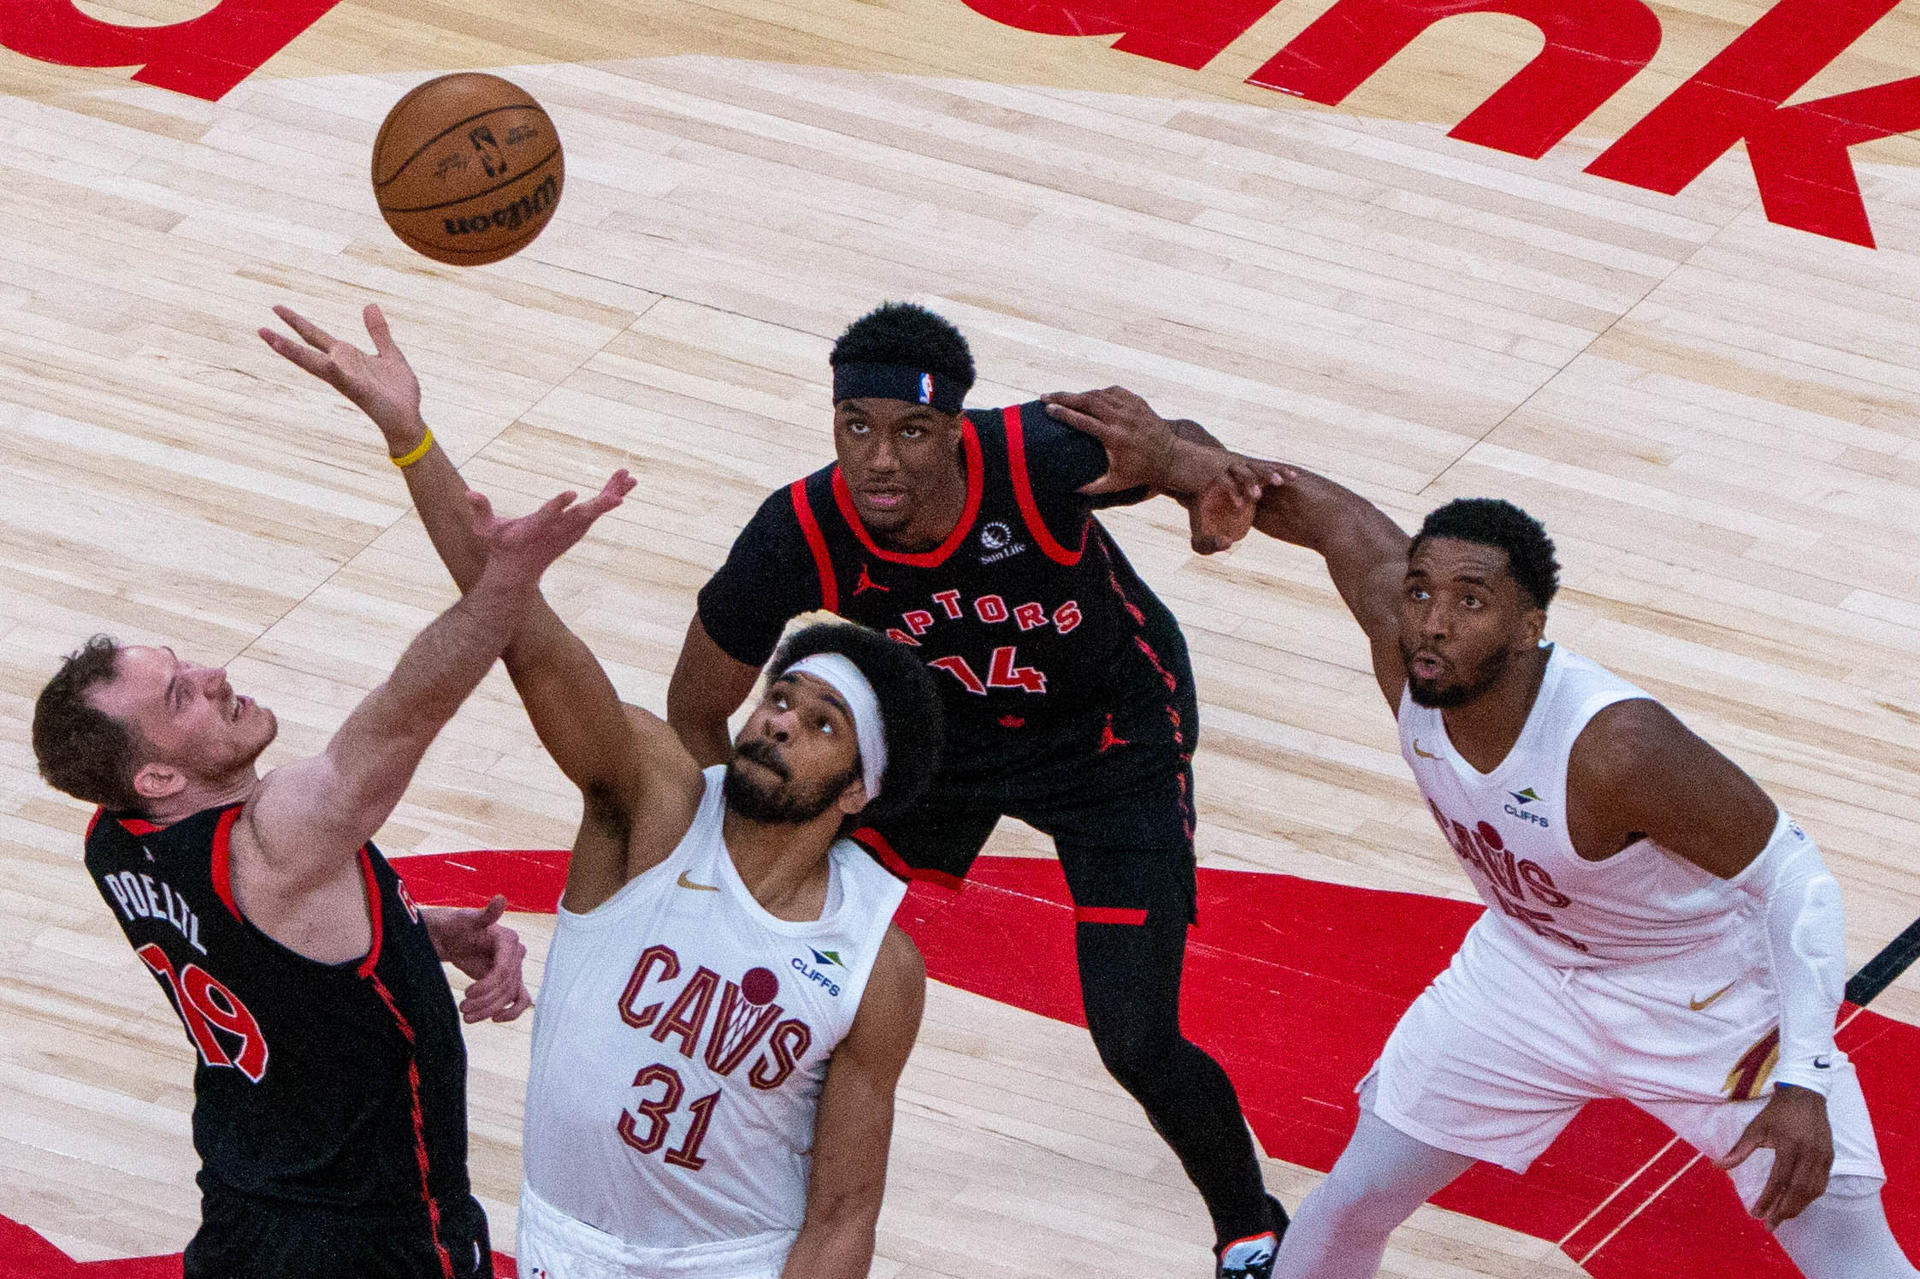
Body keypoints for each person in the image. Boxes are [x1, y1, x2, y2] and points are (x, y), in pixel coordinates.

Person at [1086, 416, 1914, 1277]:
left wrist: (1806, 1077)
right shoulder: (1409, 652)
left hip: (1701, 997)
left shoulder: (1618, 747)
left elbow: (1798, 879)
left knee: (1849, 1254)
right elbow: (1332, 518)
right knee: (1355, 1195)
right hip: (1526, 974)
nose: (1434, 623)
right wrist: (1179, 462)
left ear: (1529, 627)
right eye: (1420, 593)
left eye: (1471, 602)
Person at [261, 302, 944, 1279]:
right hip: (567, 1249)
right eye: (780, 696)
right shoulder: (656, 805)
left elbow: (841, 1216)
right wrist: (411, 439)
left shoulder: (875, 962)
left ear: (858, 790)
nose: (780, 720)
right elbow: (524, 632)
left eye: (822, 723)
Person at [665, 301, 1288, 1277]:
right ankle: (730, 1180)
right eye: (856, 427)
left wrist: (1198, 488)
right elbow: (695, 705)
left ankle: (1252, 1229)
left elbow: (1181, 449)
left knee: (1136, 1037)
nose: (879, 460)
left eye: (912, 432)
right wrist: (731, 855)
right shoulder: (800, 530)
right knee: (781, 959)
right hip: (946, 740)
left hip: (1111, 738)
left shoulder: (1038, 454)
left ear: (957, 430)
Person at [29, 462, 625, 1277]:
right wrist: (509, 574)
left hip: (244, 1207)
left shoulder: (113, 839)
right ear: (159, 777)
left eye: (184, 665)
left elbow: (262, 949)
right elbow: (407, 710)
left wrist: (419, 931)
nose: (214, 675)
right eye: (179, 697)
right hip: (373, 1234)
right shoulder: (275, 841)